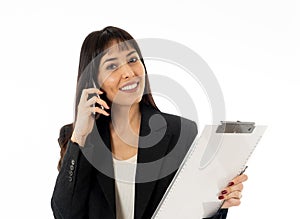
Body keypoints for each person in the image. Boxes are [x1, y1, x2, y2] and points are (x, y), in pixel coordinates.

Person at [51, 26, 248, 219]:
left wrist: (219, 205)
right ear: (94, 81)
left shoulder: (180, 132)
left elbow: (189, 212)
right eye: (112, 66)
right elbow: (64, 214)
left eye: (133, 60)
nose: (128, 72)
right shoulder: (80, 137)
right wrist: (80, 137)